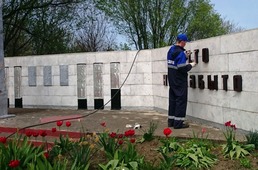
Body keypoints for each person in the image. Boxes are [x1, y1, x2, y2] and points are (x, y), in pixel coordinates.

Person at [167, 33, 196, 129]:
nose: (186, 44)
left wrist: (185, 56)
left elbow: (174, 62)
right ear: (182, 42)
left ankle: (171, 121)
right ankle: (178, 123)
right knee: (181, 101)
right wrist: (191, 65)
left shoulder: (171, 50)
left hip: (172, 80)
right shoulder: (180, 52)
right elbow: (181, 68)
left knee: (173, 100)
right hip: (179, 80)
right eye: (185, 42)